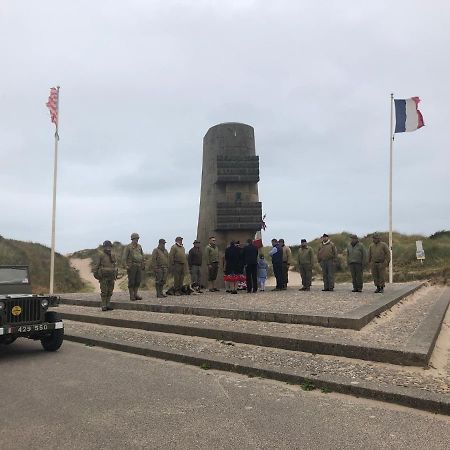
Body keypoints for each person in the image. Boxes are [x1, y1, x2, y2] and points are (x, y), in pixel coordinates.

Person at [93, 240, 118, 311]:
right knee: (104, 291)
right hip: (103, 276)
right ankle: (104, 305)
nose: (108, 248)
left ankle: (108, 304)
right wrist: (96, 274)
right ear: (104, 247)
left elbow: (115, 265)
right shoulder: (101, 255)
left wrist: (115, 273)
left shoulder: (112, 255)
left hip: (111, 276)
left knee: (110, 291)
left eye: (109, 246)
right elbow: (96, 265)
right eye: (106, 246)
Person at [123, 232, 145, 301]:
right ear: (132, 239)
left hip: (139, 266)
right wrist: (125, 266)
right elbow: (124, 258)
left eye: (137, 238)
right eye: (135, 238)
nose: (136, 240)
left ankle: (136, 294)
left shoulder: (139, 246)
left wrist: (143, 263)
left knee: (138, 281)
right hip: (131, 266)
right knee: (131, 281)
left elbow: (142, 255)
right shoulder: (128, 247)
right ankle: (131, 295)